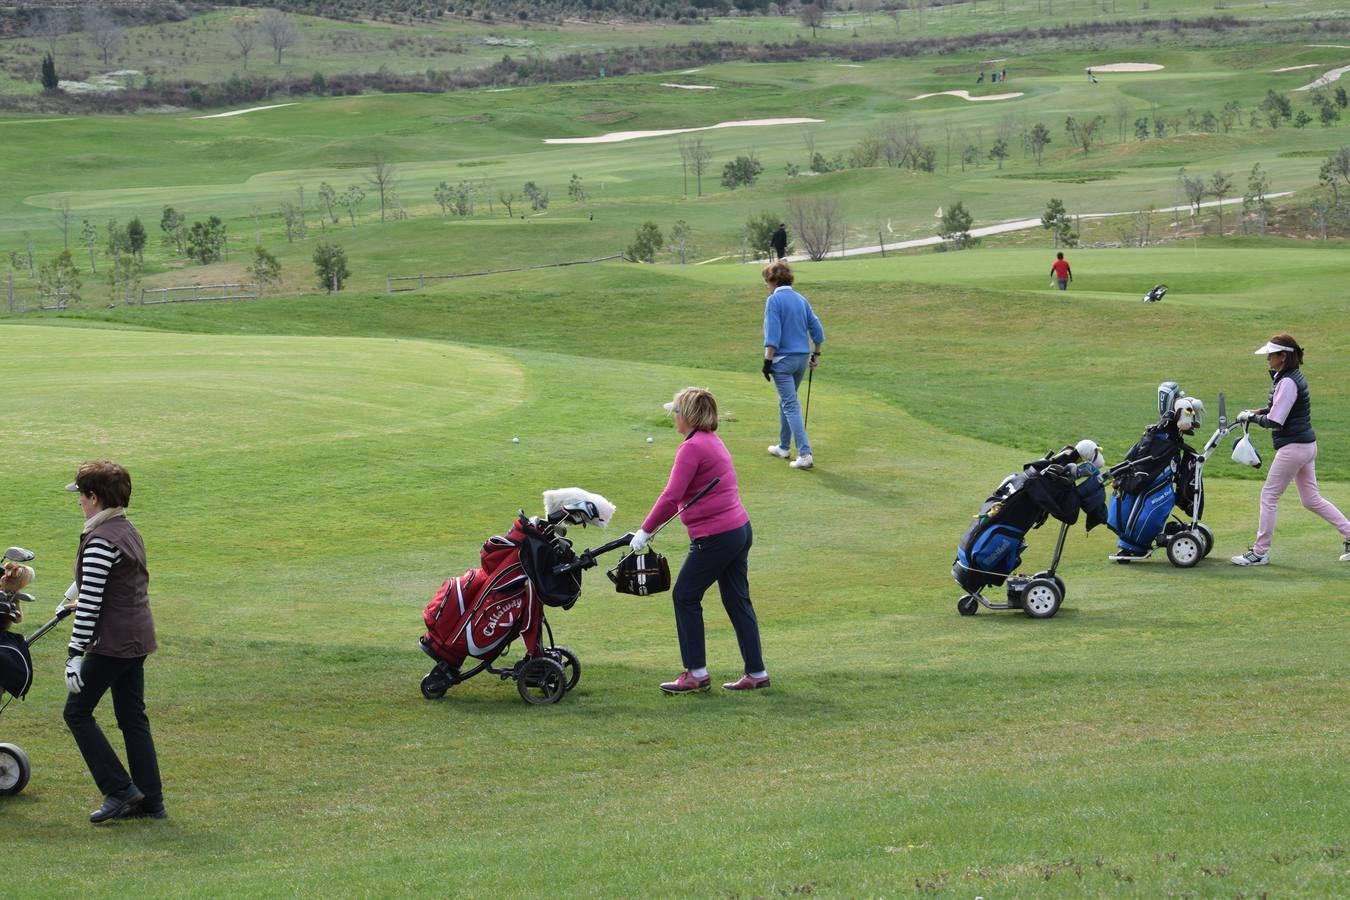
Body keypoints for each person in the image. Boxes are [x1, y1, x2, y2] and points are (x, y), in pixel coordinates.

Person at [629, 387, 768, 694]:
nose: (673, 417)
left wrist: (645, 530)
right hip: (738, 530)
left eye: (676, 412)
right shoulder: (711, 441)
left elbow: (672, 495)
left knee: (685, 596)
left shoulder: (691, 448)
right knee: (736, 599)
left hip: (716, 536)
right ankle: (756, 673)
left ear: (688, 416)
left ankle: (696, 674)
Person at [61, 460, 165, 823]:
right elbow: (109, 580)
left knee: (76, 712)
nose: (78, 502)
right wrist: (76, 587)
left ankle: (120, 791)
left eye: (81, 496)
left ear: (94, 497)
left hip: (113, 643)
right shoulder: (125, 528)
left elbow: (91, 605)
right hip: (138, 637)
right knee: (132, 717)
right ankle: (151, 802)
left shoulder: (101, 539)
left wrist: (74, 654)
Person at [1231, 336, 1350, 566]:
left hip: (1294, 448)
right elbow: (1278, 407)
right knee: (1311, 499)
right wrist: (1255, 412)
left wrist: (1253, 418)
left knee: (1269, 496)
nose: (1267, 358)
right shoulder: (1288, 378)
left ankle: (1260, 552)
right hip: (1305, 446)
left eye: (1271, 354)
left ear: (1283, 356)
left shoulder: (1287, 382)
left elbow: (1276, 420)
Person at [761, 260, 825, 470]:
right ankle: (783, 446)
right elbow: (817, 330)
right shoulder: (801, 299)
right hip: (801, 359)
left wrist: (767, 361)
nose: (765, 285)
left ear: (773, 280)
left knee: (790, 405)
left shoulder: (774, 301)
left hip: (783, 361)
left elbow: (773, 335)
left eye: (766, 281)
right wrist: (816, 353)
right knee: (786, 402)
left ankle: (805, 453)